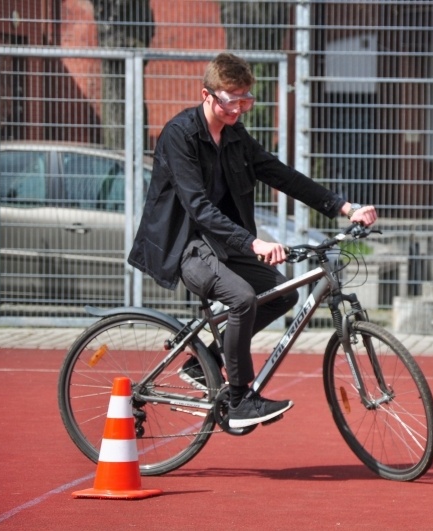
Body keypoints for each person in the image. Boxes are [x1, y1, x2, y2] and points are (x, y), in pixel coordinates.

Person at [127, 52, 377, 429]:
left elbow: (282, 175)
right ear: (207, 95)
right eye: (231, 99)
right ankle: (241, 399)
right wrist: (253, 243)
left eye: (245, 99)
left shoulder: (235, 136)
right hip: (187, 245)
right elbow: (197, 207)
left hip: (224, 243)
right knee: (242, 299)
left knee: (283, 293)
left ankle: (202, 363)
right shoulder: (180, 136)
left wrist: (343, 206)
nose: (238, 109)